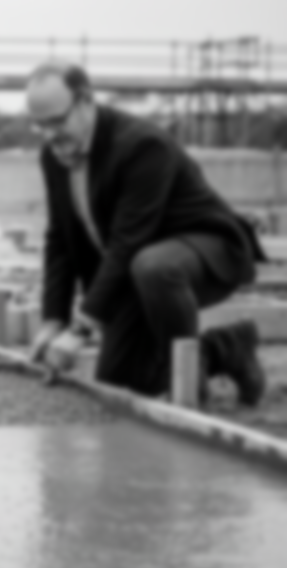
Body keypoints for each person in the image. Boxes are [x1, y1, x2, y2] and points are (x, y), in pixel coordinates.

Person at [26, 62, 266, 404]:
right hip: (138, 268)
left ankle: (190, 391)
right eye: (39, 125)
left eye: (56, 121)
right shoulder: (53, 157)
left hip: (204, 250)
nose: (49, 134)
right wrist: (53, 320)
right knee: (119, 383)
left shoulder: (141, 146)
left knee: (154, 266)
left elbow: (128, 242)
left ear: (85, 102)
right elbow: (60, 239)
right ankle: (227, 348)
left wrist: (80, 330)